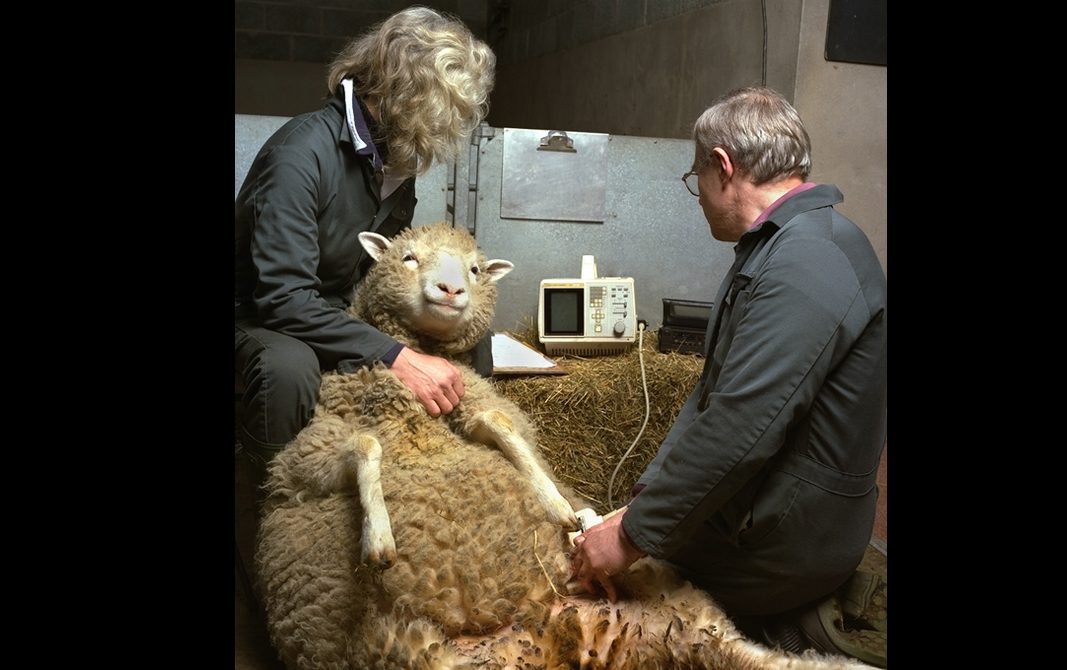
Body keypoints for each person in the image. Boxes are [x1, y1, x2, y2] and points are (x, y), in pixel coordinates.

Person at [569, 86, 887, 655]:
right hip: (774, 509)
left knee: (602, 596)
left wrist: (634, 537)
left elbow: (742, 426)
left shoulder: (808, 261)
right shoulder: (778, 246)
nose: (698, 198)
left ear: (723, 166)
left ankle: (786, 629)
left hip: (788, 540)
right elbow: (712, 397)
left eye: (697, 180)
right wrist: (645, 500)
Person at [235, 7, 497, 465]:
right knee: (288, 367)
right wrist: (395, 354)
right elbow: (282, 298)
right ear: (401, 90)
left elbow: (380, 276)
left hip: (330, 309)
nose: (442, 131)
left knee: (470, 336)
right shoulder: (299, 155)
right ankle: (271, 509)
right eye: (440, 109)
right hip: (258, 315)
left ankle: (456, 470)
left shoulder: (395, 159)